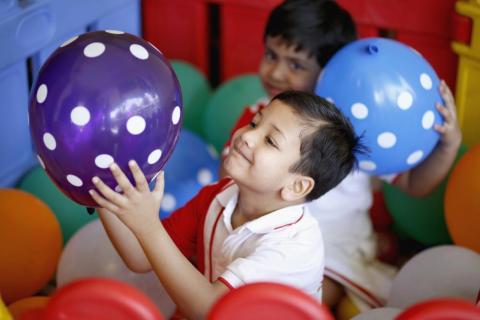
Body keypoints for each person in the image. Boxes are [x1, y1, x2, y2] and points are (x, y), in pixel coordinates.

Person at [219, 0, 463, 312]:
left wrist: (447, 146)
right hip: (263, 243)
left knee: (315, 296)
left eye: (296, 64)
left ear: (330, 72)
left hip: (334, 250)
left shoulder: (348, 132)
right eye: (271, 55)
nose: (276, 72)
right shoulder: (257, 117)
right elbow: (224, 185)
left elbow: (415, 184)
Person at [89, 91, 363, 319]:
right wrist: (97, 186)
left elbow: (212, 309)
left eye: (270, 140)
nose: (246, 135)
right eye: (255, 123)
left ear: (297, 186)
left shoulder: (291, 247)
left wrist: (148, 226)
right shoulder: (219, 196)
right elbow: (140, 256)